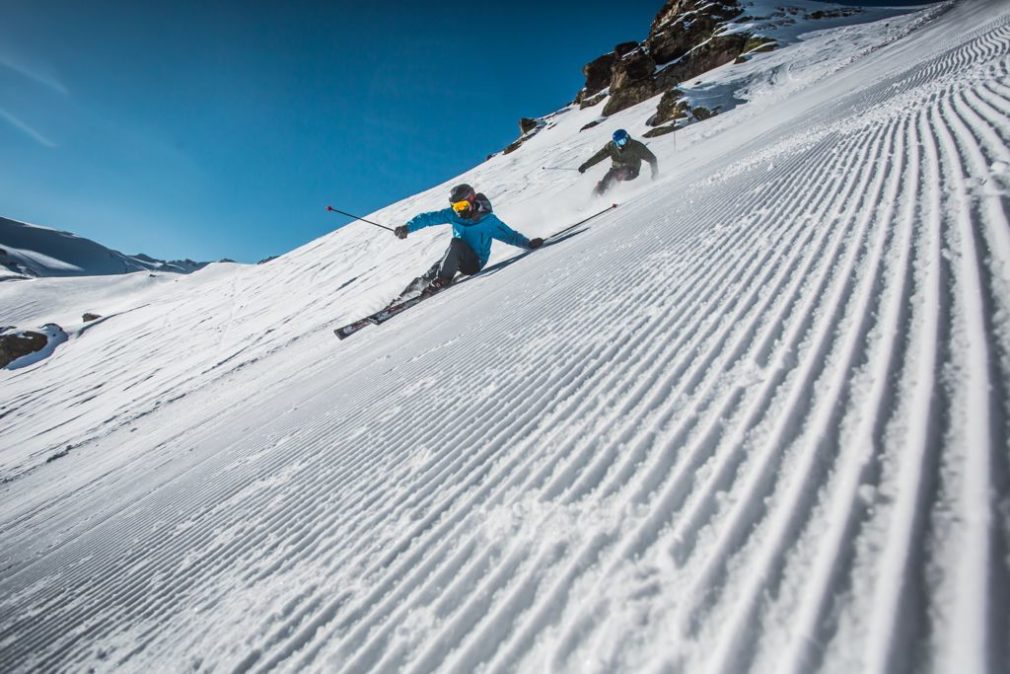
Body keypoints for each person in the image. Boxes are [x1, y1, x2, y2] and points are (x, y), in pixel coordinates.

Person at [393, 184, 543, 299]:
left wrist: (528, 244)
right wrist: (408, 227)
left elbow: (510, 236)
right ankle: (402, 298)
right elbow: (428, 218)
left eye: (463, 206)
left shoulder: (488, 221)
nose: (460, 211)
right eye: (456, 207)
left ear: (472, 201)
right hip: (457, 256)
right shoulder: (453, 215)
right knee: (433, 270)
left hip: (475, 262)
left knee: (456, 244)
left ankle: (442, 279)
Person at [578, 129, 659, 196]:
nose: (620, 144)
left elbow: (652, 159)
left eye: (622, 141)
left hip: (632, 170)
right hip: (616, 169)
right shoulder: (612, 146)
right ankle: (592, 203)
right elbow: (599, 156)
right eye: (618, 142)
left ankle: (608, 196)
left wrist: (655, 174)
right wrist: (585, 165)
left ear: (627, 138)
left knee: (618, 175)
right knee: (604, 182)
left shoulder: (636, 146)